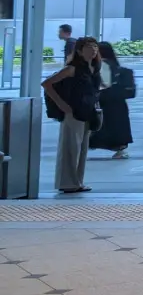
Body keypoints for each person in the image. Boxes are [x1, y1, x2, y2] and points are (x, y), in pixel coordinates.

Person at [43, 36, 103, 193]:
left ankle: (77, 182)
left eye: (95, 47)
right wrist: (62, 104)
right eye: (89, 47)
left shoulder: (94, 68)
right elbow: (47, 84)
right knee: (70, 148)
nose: (93, 50)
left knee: (82, 149)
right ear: (79, 51)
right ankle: (67, 183)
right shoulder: (72, 68)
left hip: (87, 111)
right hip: (73, 111)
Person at [89, 40, 134, 159]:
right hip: (117, 104)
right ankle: (120, 148)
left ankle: (85, 147)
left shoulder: (95, 67)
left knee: (96, 126)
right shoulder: (121, 70)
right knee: (117, 125)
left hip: (99, 102)